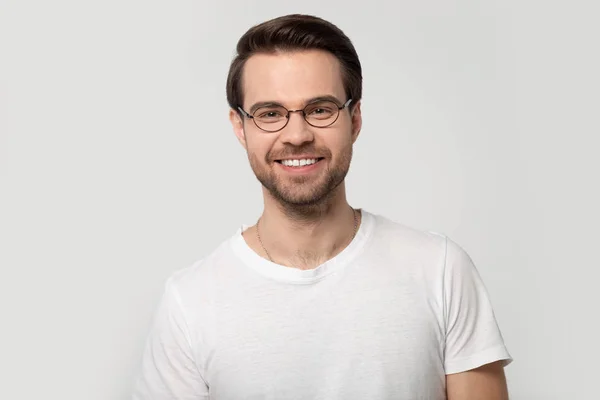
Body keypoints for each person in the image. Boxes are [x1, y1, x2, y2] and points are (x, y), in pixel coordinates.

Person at [132, 13, 512, 400]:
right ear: (239, 127)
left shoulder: (440, 270)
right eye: (270, 114)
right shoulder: (189, 302)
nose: (297, 135)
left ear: (356, 119)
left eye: (320, 109)